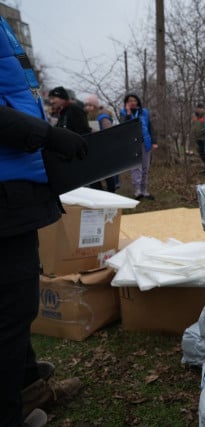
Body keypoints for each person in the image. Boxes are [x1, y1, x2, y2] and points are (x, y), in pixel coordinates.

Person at [0, 17, 84, 427]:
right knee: (8, 312)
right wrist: (48, 136)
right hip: (3, 195)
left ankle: (31, 388)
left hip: (18, 189)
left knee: (19, 302)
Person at [119, 93, 157, 200]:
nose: (132, 102)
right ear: (126, 103)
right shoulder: (123, 113)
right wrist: (128, 113)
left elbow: (150, 127)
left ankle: (144, 191)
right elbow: (124, 126)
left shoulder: (144, 112)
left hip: (146, 142)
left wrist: (154, 141)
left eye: (134, 100)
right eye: (130, 101)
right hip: (133, 143)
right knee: (136, 168)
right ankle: (137, 191)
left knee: (145, 167)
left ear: (138, 101)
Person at [191, 102, 205, 175]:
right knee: (201, 155)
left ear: (203, 109)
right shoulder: (195, 117)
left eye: (200, 108)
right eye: (198, 108)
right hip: (198, 139)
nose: (198, 110)